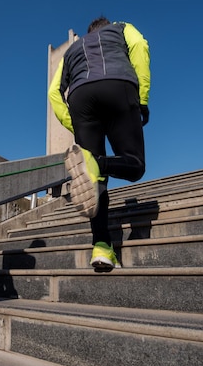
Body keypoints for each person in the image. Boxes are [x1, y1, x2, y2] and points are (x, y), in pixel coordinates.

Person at [48, 16, 150, 272]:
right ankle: (97, 163)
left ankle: (102, 248)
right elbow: (140, 47)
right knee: (135, 165)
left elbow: (53, 92)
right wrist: (143, 99)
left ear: (88, 32)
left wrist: (76, 123)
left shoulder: (73, 49)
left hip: (81, 97)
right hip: (117, 85)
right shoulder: (123, 27)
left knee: (96, 181)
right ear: (107, 26)